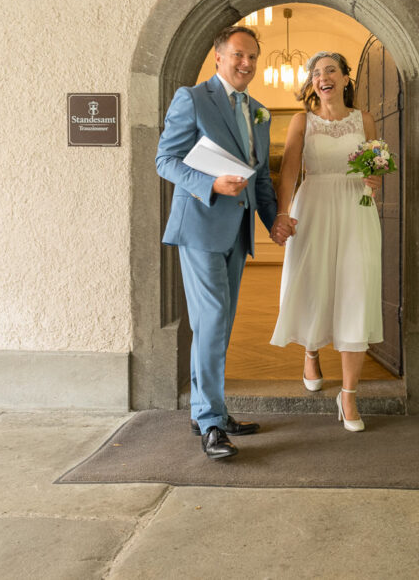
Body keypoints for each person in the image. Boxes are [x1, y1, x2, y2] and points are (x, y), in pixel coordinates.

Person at [156, 25, 297, 459]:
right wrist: (211, 183)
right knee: (214, 319)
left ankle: (207, 409)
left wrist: (274, 222)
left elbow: (260, 179)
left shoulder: (259, 111)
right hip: (198, 226)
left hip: (238, 232)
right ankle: (213, 424)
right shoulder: (193, 98)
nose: (247, 64)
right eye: (238, 55)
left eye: (253, 56)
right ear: (218, 57)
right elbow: (166, 160)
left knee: (217, 324)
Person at [270, 51, 383, 432]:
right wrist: (283, 214)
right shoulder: (303, 121)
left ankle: (348, 395)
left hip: (356, 208)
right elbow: (288, 172)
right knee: (315, 283)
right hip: (314, 206)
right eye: (316, 73)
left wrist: (374, 180)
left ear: (345, 78)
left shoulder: (363, 119)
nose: (323, 77)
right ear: (311, 83)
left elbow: (373, 163)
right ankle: (311, 351)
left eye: (330, 70)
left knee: (356, 289)